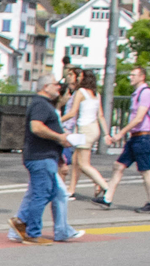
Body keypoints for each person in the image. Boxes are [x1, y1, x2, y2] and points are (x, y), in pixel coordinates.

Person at [11, 76, 84, 243]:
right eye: (56, 84)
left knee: (46, 192)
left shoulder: (43, 105)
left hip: (44, 156)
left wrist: (59, 155)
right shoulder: (40, 104)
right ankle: (32, 233)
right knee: (41, 194)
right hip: (40, 157)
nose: (59, 87)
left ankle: (21, 223)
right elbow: (36, 127)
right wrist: (59, 137)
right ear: (45, 86)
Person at [105, 66, 150, 212]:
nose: (130, 77)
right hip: (136, 137)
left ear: (142, 77)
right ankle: (107, 198)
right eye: (130, 75)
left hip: (144, 137)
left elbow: (139, 118)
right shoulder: (137, 93)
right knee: (119, 165)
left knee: (146, 170)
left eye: (133, 75)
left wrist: (121, 133)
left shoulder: (145, 93)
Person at [66, 71, 115, 205]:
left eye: (80, 76)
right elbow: (100, 115)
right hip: (94, 129)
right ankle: (71, 190)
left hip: (85, 129)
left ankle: (105, 187)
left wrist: (58, 119)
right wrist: (106, 134)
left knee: (84, 164)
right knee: (76, 160)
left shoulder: (81, 92)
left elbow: (72, 112)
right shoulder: (96, 94)